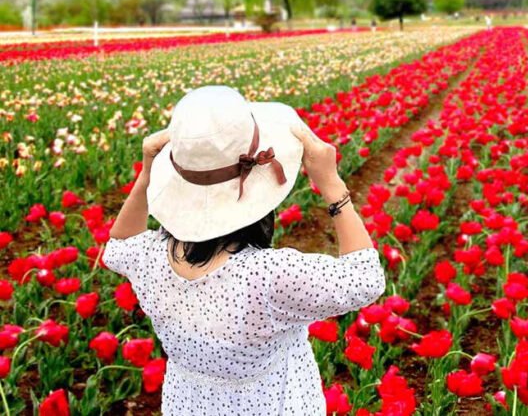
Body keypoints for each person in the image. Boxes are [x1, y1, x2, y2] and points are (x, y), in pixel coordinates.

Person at [104, 86, 385, 415]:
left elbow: (118, 246)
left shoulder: (151, 258)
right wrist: (333, 186)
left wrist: (147, 174)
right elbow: (366, 278)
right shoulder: (268, 276)